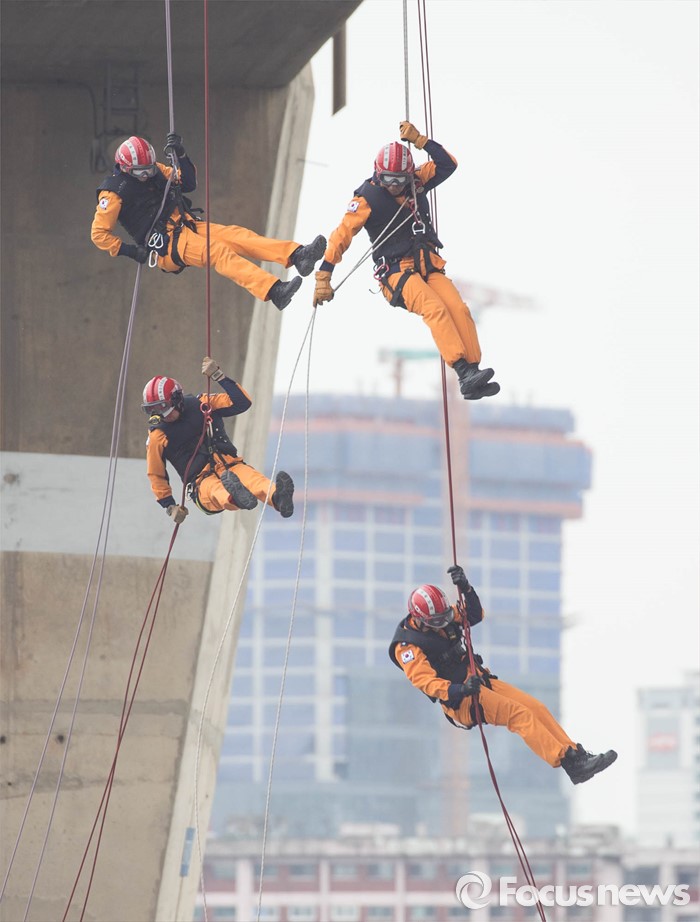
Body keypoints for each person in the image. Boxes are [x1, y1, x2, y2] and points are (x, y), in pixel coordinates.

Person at [313, 121, 499, 399]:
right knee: (435, 308)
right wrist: (324, 275)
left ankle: (473, 372)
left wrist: (421, 141)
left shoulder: (417, 182)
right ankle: (463, 371)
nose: (394, 186)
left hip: (427, 266)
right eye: (388, 179)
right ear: (378, 174)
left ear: (409, 175)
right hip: (396, 273)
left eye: (400, 180)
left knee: (458, 309)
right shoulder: (366, 199)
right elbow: (341, 237)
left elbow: (448, 164)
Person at [389, 566, 618, 784]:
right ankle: (566, 760)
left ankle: (577, 756)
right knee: (519, 715)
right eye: (439, 621)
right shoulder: (407, 646)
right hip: (463, 700)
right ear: (420, 619)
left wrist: (466, 588)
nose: (445, 623)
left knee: (536, 707)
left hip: (479, 680)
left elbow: (474, 615)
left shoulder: (442, 615)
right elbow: (425, 682)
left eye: (446, 616)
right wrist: (461, 689)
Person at [92, 134, 326, 311]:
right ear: (126, 169)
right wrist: (132, 251)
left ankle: (298, 255)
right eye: (141, 172)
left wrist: (181, 155)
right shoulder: (112, 193)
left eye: (150, 169)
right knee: (218, 253)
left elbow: (187, 183)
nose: (147, 175)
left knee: (239, 236)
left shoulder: (156, 171)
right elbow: (99, 234)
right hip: (167, 245)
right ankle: (274, 291)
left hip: (186, 224)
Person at [143, 356, 294, 522]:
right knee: (217, 491)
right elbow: (156, 474)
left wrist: (218, 375)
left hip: (231, 465)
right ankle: (236, 497)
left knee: (254, 480)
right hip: (201, 483)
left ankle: (278, 497)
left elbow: (242, 402)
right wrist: (170, 506)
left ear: (177, 400)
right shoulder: (158, 435)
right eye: (154, 411)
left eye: (165, 409)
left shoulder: (202, 403)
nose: (164, 416)